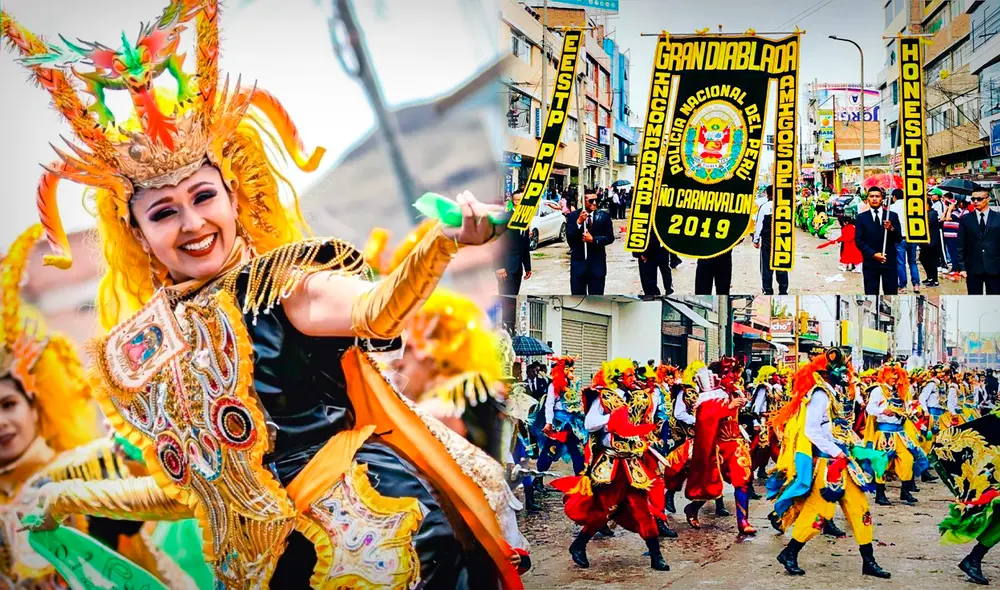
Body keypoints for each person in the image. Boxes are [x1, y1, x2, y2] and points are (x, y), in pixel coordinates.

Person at [5, 4, 523, 587]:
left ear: (233, 196)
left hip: (369, 541)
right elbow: (194, 490)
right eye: (163, 212)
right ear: (139, 233)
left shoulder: (281, 283)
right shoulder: (146, 351)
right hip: (270, 569)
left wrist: (440, 243)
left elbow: (376, 308)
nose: (192, 223)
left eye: (203, 197)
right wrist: (74, 494)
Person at [0, 225, 201, 587]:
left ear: (34, 403)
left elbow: (179, 491)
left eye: (8, 404)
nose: (1, 423)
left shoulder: (95, 465)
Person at [767, 348, 891, 579]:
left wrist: (855, 448)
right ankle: (790, 553)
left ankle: (869, 561)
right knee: (819, 513)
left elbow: (840, 429)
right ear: (826, 373)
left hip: (844, 462)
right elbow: (811, 430)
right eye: (839, 369)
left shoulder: (836, 394)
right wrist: (836, 452)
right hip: (827, 464)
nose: (845, 373)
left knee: (860, 509)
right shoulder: (820, 394)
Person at [552, 359, 669, 572]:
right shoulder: (605, 397)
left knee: (643, 508)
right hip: (610, 463)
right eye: (630, 376)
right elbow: (589, 423)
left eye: (634, 375)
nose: (635, 379)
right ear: (618, 379)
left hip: (631, 463)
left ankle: (656, 555)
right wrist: (611, 421)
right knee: (602, 510)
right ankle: (578, 545)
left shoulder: (640, 398)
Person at [682, 358, 755, 536]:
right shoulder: (710, 395)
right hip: (717, 446)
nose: (734, 376)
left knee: (743, 479)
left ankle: (743, 521)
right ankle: (693, 507)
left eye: (734, 372)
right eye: (728, 373)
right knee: (709, 485)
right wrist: (728, 407)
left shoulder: (735, 392)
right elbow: (705, 418)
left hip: (736, 443)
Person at [861, 364, 929, 506]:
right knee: (883, 464)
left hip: (901, 433)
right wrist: (883, 411)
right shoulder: (878, 390)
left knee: (908, 459)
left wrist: (913, 410)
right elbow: (869, 408)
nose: (895, 378)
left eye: (897, 375)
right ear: (885, 375)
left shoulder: (900, 390)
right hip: (885, 433)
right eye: (892, 375)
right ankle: (880, 494)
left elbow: (907, 406)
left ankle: (905, 491)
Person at [854, 186, 902, 295]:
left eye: (877, 196)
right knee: (871, 294)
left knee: (891, 293)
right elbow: (859, 240)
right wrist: (873, 254)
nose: (874, 199)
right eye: (871, 196)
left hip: (888, 261)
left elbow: (899, 239)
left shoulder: (892, 216)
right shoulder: (861, 218)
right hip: (870, 262)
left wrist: (891, 229)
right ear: (867, 199)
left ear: (882, 199)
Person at [566, 188, 615, 295]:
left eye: (596, 200)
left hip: (597, 266)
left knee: (597, 298)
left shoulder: (604, 216)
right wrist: (578, 223)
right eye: (591, 201)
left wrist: (594, 240)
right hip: (579, 265)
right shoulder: (573, 216)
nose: (594, 203)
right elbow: (570, 238)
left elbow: (610, 237)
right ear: (583, 202)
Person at [956, 188, 1000, 294]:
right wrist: (961, 267)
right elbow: (960, 244)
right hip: (973, 267)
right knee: (974, 298)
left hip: (995, 267)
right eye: (973, 199)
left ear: (988, 199)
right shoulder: (965, 219)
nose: (975, 202)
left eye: (979, 199)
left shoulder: (998, 218)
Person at [754, 185, 789, 295]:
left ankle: (768, 291)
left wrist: (756, 240)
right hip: (782, 241)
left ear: (767, 194)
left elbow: (759, 224)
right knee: (782, 266)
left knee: (766, 268)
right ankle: (783, 291)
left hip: (767, 241)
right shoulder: (785, 206)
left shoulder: (764, 207)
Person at [888, 188, 921, 293]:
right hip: (912, 237)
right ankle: (916, 284)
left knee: (901, 263)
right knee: (913, 262)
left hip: (899, 238)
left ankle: (903, 286)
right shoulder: (911, 206)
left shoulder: (891, 208)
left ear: (894, 197)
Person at [634, 234, 673, 298]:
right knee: (665, 271)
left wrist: (645, 253)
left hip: (649, 251)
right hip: (661, 247)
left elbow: (651, 234)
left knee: (649, 284)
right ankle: (669, 289)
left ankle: (657, 297)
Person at [943, 193, 969, 277]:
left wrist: (950, 209)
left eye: (950, 204)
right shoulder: (950, 212)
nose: (949, 205)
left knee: (954, 253)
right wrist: (947, 209)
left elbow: (947, 218)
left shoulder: (956, 213)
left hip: (953, 236)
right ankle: (954, 268)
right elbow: (942, 218)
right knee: (951, 252)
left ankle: (956, 269)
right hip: (948, 235)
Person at [920, 199, 943, 287]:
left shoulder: (932, 213)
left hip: (931, 241)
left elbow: (927, 224)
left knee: (931, 261)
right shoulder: (926, 213)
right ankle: (930, 277)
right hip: (925, 241)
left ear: (927, 204)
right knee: (923, 258)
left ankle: (935, 280)